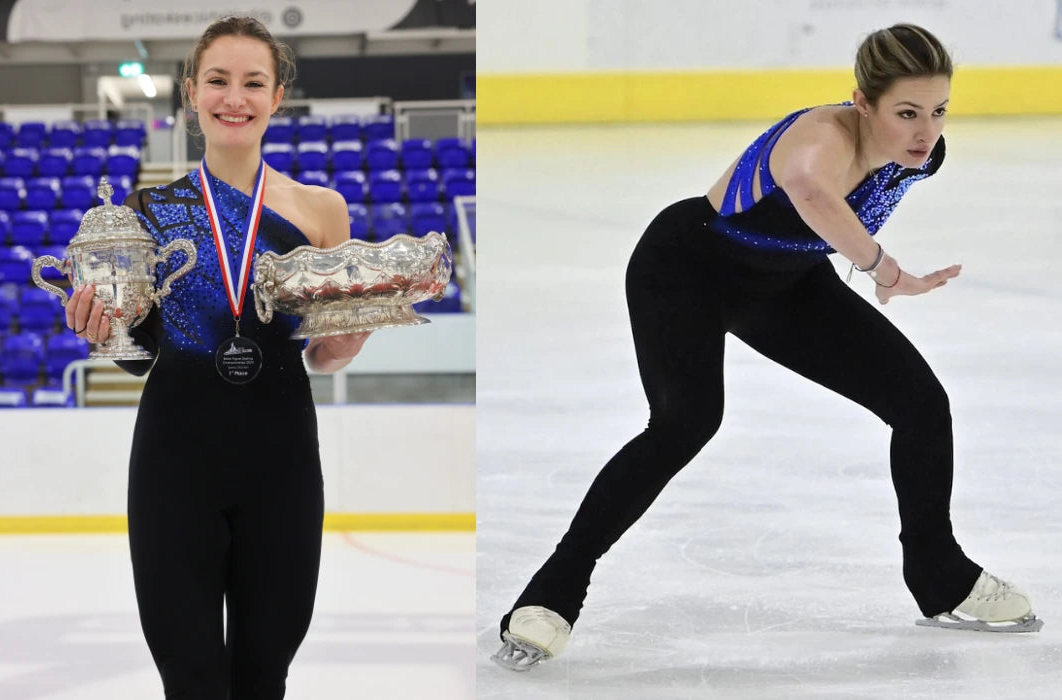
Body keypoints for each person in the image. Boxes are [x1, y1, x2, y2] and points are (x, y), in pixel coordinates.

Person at [493, 23, 1043, 671]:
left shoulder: (919, 153)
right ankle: (553, 592)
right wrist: (885, 270)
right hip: (688, 269)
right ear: (862, 103)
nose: (926, 132)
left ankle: (940, 573)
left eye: (938, 111)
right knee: (684, 422)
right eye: (906, 113)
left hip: (786, 282)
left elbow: (834, 215)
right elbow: (812, 193)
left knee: (921, 403)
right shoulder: (820, 138)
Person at [63, 16, 370, 698]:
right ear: (191, 92)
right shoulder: (148, 210)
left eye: (254, 82)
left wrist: (344, 342)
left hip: (281, 463)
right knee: (192, 678)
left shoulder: (323, 211)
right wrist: (103, 333)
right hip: (176, 464)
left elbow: (322, 355)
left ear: (278, 96)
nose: (236, 97)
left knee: (264, 676)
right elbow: (142, 356)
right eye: (219, 81)